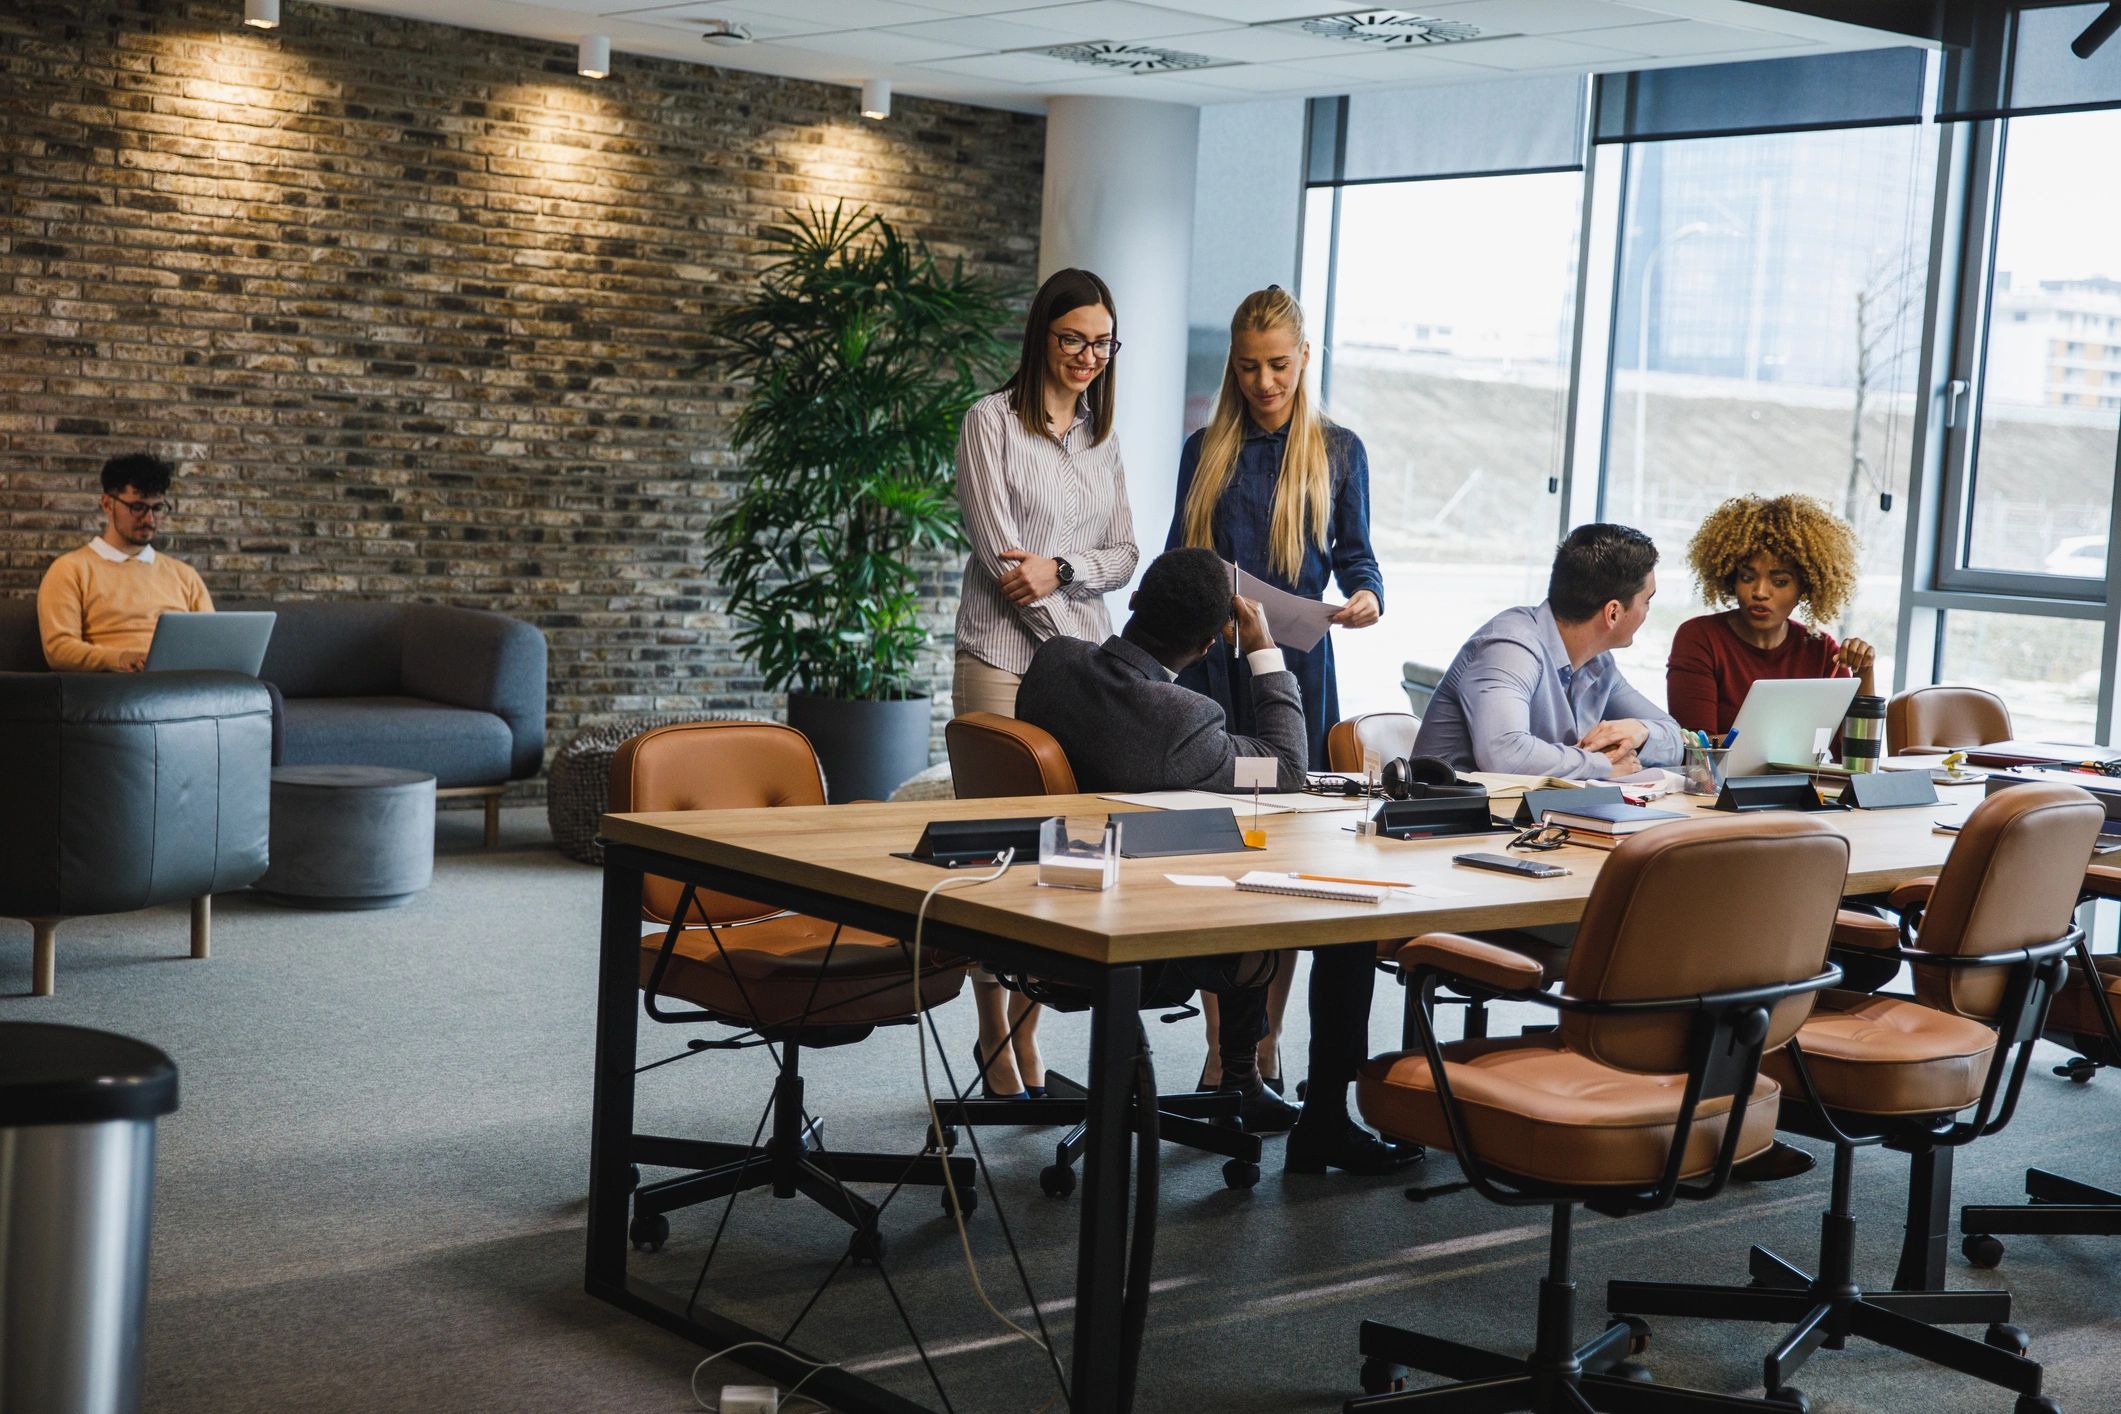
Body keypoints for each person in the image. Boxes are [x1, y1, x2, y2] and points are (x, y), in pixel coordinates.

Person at [1017, 547, 1419, 1174]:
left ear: (1132, 603)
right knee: (1335, 919)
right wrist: (1263, 647)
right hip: (1147, 926)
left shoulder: (1055, 663)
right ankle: (1322, 1121)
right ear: (1210, 646)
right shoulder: (1183, 722)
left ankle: (1241, 1083)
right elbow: (1282, 772)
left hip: (1043, 902)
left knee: (1246, 863)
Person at [952, 268, 1140, 1104]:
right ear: (1041, 337)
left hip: (1081, 671)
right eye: (1072, 339)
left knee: (1064, 861)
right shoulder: (988, 423)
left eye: (1101, 342)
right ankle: (993, 1036)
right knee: (996, 857)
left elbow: (1124, 556)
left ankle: (1029, 1039)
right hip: (1002, 662)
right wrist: (1060, 617)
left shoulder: (1102, 437)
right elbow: (1004, 568)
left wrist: (1063, 567)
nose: (1087, 356)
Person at [1167, 285, 1383, 770]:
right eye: (1248, 367)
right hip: (1211, 660)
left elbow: (1357, 558)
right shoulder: (1202, 450)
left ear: (1304, 355)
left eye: (1278, 365)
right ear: (1233, 363)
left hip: (1298, 663)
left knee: (1292, 797)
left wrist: (1368, 595)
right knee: (1211, 792)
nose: (1263, 381)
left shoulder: (1341, 451)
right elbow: (1178, 557)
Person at [1414, 523, 1684, 780]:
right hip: (1450, 821)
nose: (1647, 612)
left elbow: (1676, 736)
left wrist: (1642, 730)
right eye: (1647, 601)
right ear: (1613, 612)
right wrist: (1601, 765)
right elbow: (1505, 754)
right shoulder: (1510, 647)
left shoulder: (1599, 664)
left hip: (1527, 819)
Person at [1666, 493, 1876, 736]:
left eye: (1779, 581)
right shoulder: (1700, 638)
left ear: (1805, 588)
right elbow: (1697, 750)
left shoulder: (1822, 652)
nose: (1760, 592)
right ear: (1731, 578)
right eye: (1747, 577)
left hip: (1804, 777)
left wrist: (1864, 672)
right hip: (1718, 776)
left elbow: (1853, 754)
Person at [39, 452, 212, 672]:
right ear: (107, 504)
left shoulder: (185, 575)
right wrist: (120, 658)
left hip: (181, 683)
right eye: (137, 507)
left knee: (265, 691)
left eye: (157, 508)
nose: (149, 520)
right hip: (116, 686)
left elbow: (211, 643)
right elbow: (59, 650)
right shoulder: (70, 569)